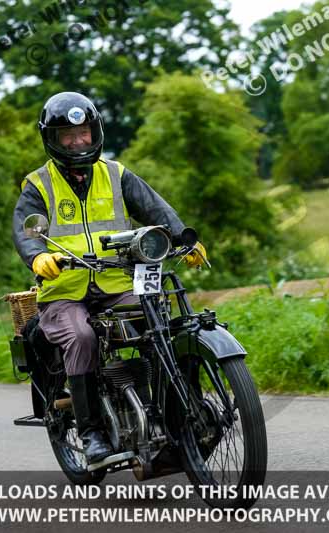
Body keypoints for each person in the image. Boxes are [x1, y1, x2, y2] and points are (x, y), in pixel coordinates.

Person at [11, 91, 207, 464]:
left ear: (95, 131)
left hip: (119, 284)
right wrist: (38, 258)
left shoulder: (117, 175)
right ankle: (92, 433)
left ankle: (175, 413)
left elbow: (156, 209)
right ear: (51, 140)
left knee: (163, 322)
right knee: (82, 336)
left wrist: (185, 240)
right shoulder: (38, 184)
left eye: (83, 132)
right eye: (67, 136)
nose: (77, 142)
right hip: (64, 292)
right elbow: (25, 230)